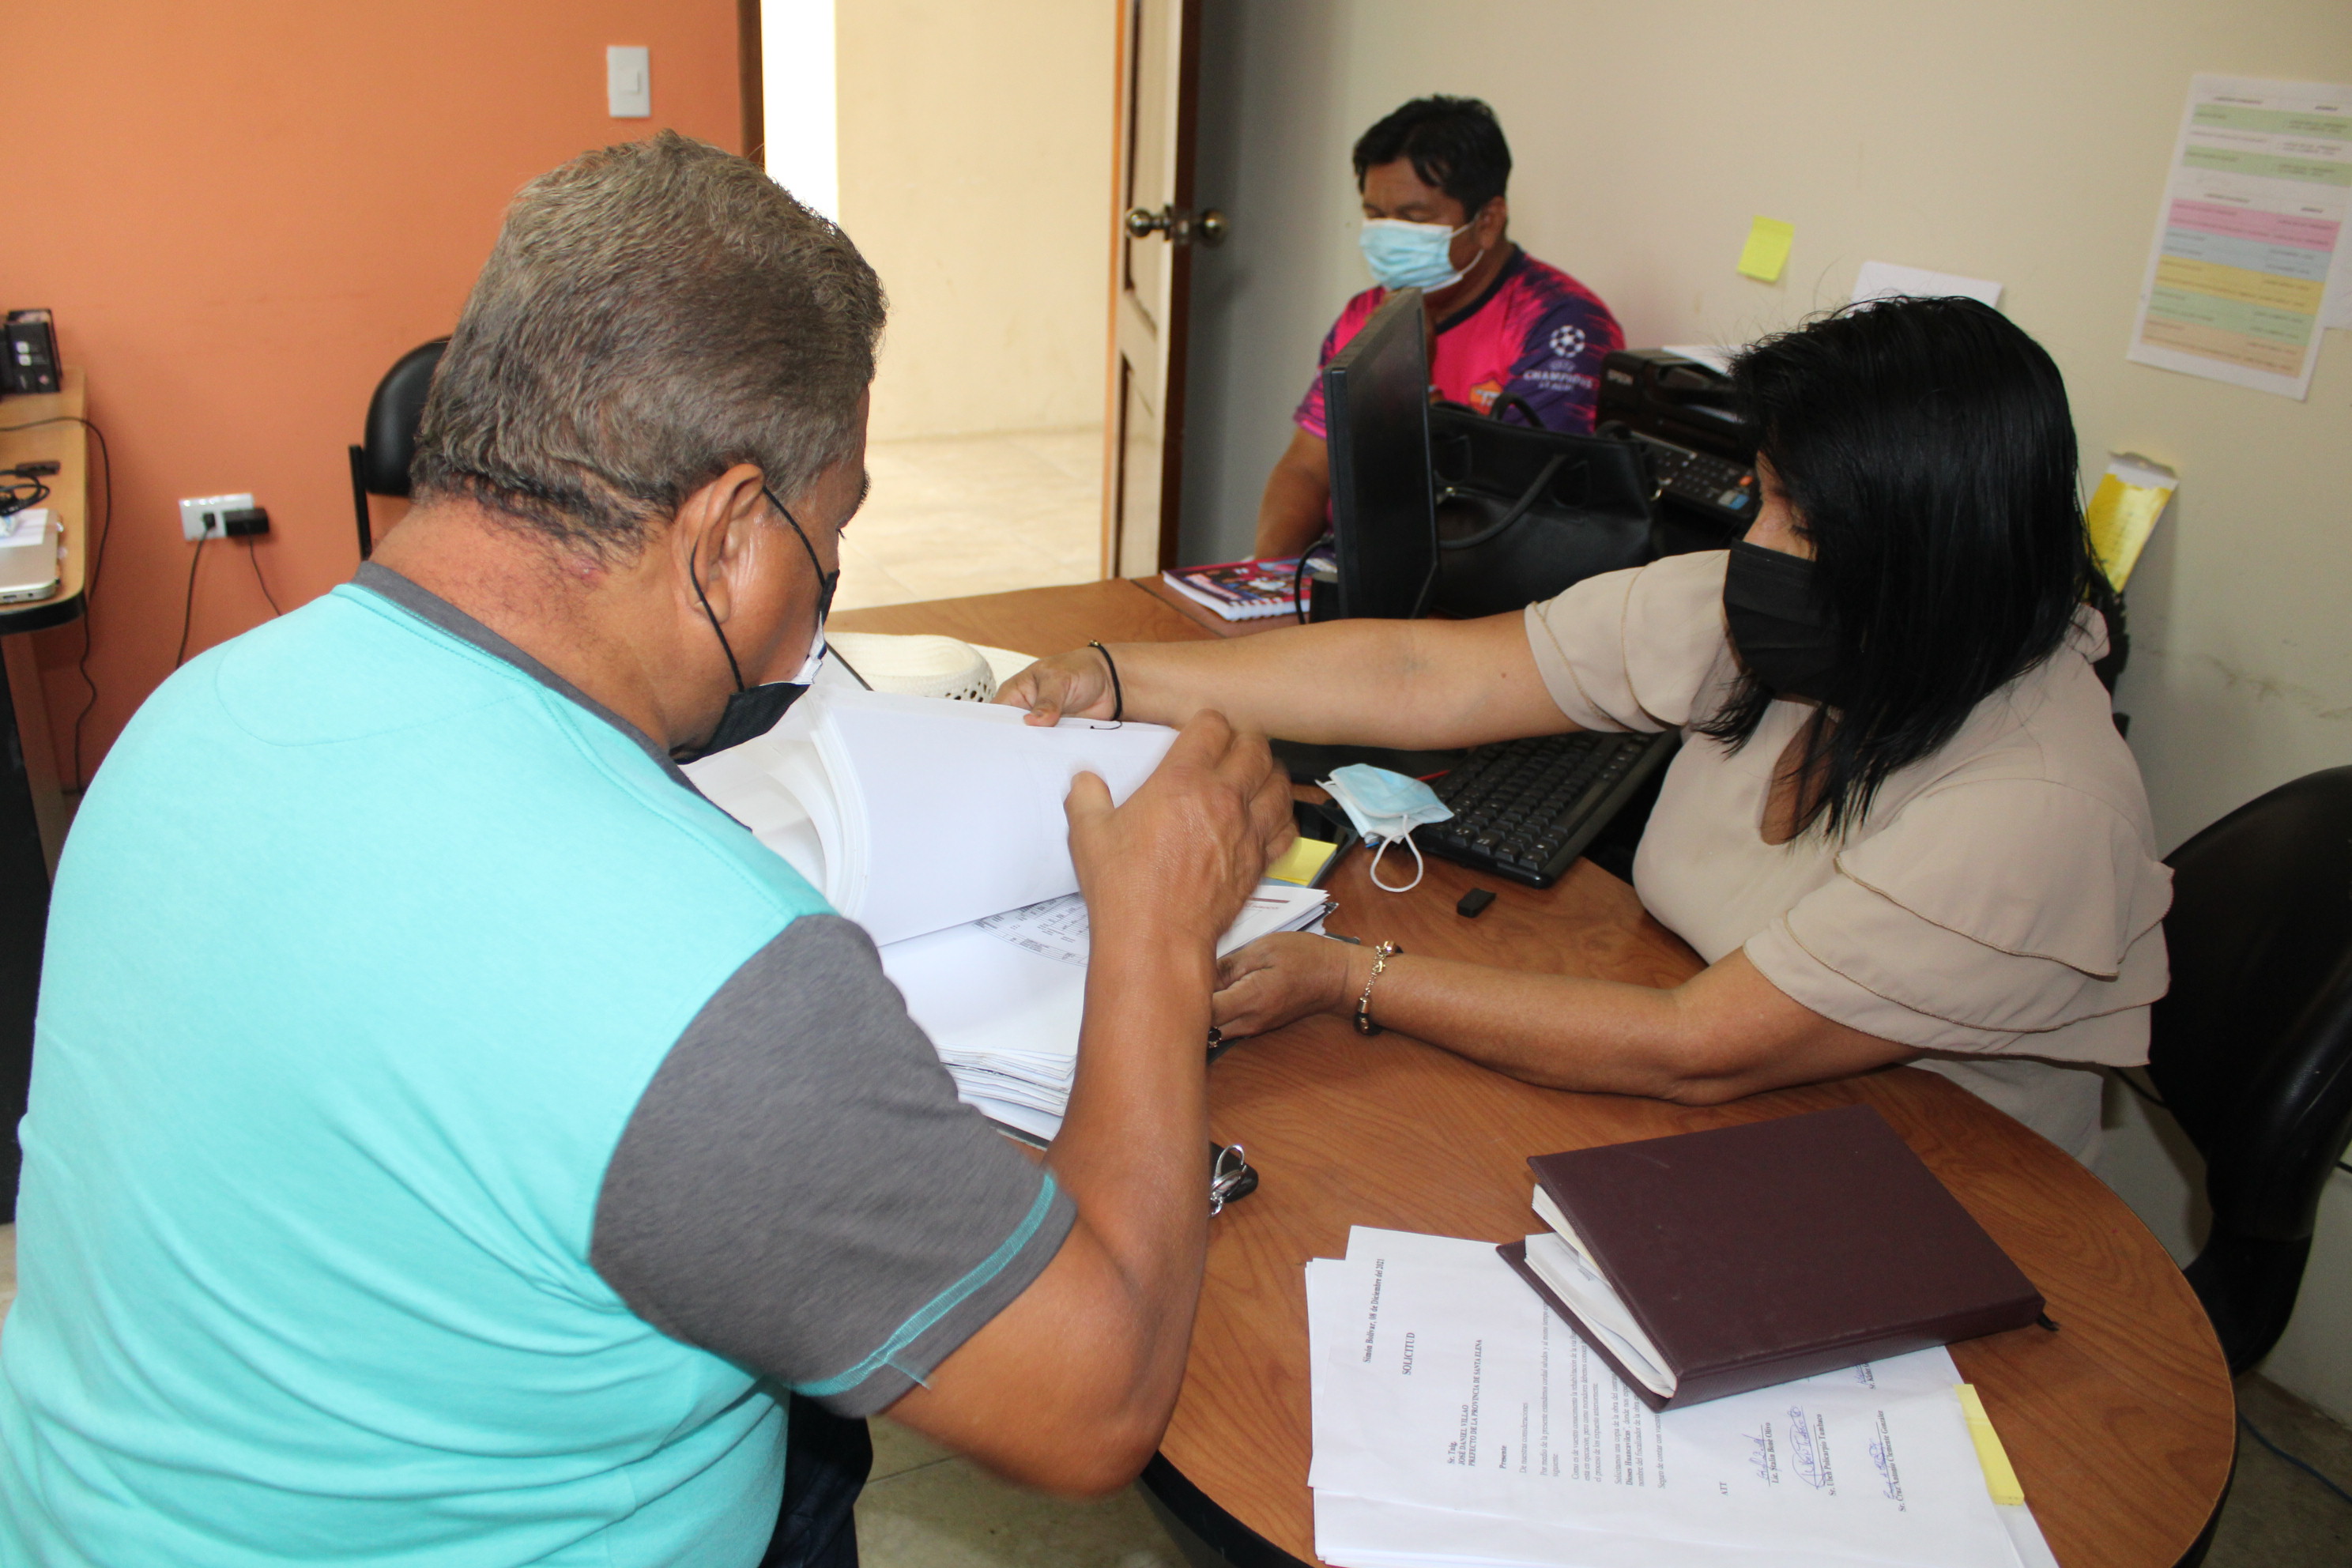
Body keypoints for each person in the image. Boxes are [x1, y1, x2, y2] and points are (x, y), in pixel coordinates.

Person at [0, 133, 1292, 1567]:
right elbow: (1095, 1403)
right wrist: (1157, 926)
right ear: (728, 532)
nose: (823, 585)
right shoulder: (700, 966)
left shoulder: (185, 718)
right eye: (831, 531)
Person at [1009, 297, 2169, 1164]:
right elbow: (1424, 673)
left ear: (1928, 557)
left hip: (1931, 1187)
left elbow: (1692, 1047)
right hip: (1740, 1116)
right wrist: (1117, 676)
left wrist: (1348, 976)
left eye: (1801, 519)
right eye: (1765, 493)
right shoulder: (1809, 625)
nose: (1754, 544)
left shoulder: (2031, 809)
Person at [1253, 95, 1624, 561]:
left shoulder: (1560, 324)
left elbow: (1515, 511)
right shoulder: (1366, 313)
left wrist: (1413, 382)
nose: (1389, 236)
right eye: (1375, 215)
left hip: (1475, 579)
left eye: (1413, 218)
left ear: (1487, 221)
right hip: (1348, 568)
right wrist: (1263, 576)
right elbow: (1306, 470)